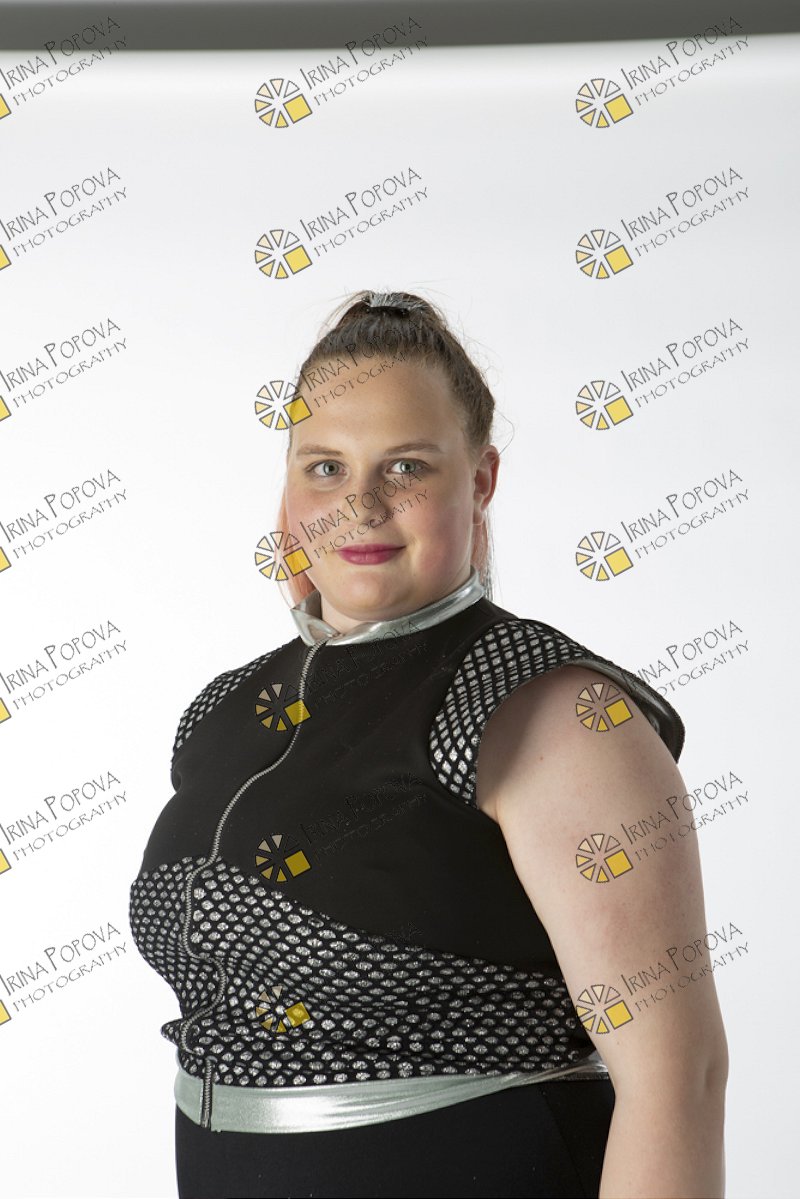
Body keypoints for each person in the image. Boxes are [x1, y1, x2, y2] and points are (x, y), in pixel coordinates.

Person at [129, 289, 728, 1199]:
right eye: (325, 468)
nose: (360, 503)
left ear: (481, 480)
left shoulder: (547, 708)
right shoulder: (228, 712)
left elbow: (678, 1080)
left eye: (405, 466)